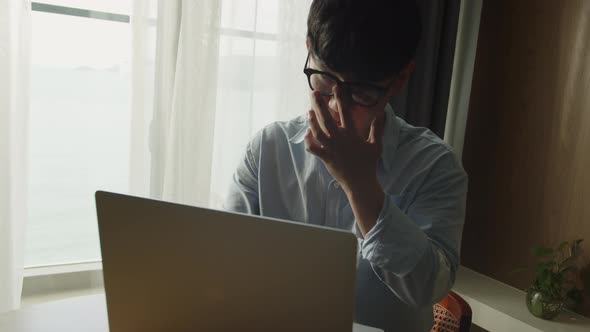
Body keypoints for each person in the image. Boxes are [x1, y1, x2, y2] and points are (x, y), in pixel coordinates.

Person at [224, 1, 468, 331]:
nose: (338, 106)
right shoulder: (267, 151)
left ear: (399, 81)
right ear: (309, 51)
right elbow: (224, 262)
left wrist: (360, 185)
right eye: (324, 81)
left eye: (362, 92)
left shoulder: (434, 166)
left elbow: (427, 288)